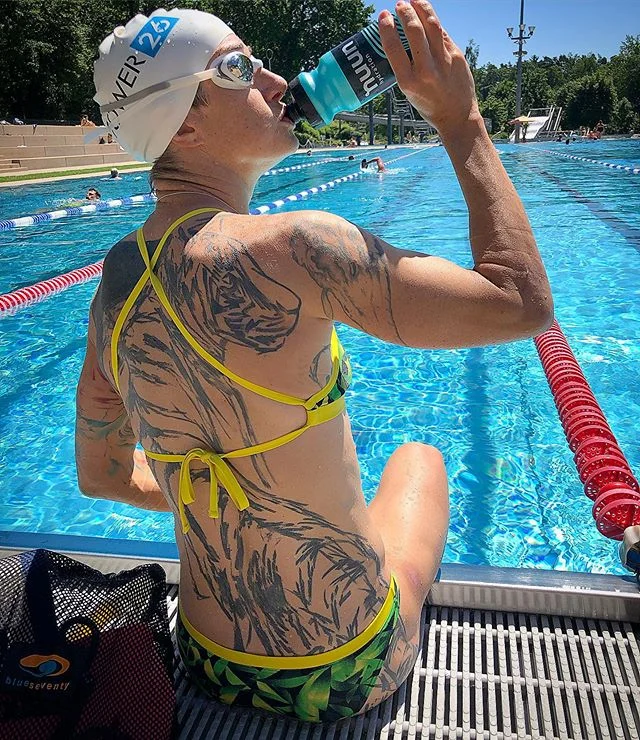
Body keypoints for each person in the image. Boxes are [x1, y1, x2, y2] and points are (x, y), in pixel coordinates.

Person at [76, 3, 552, 723]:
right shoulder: (299, 247)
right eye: (239, 68)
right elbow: (520, 303)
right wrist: (463, 124)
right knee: (419, 459)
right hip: (345, 668)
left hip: (205, 658)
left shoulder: (113, 285)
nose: (276, 80)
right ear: (185, 125)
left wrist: (219, 493)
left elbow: (103, 476)